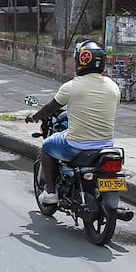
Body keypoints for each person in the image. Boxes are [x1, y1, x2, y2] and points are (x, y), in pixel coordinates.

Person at [25, 41, 120, 205]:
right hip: (106, 144)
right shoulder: (113, 86)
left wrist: (35, 116)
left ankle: (51, 193)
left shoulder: (71, 87)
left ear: (79, 62)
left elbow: (50, 108)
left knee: (46, 147)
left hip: (77, 145)